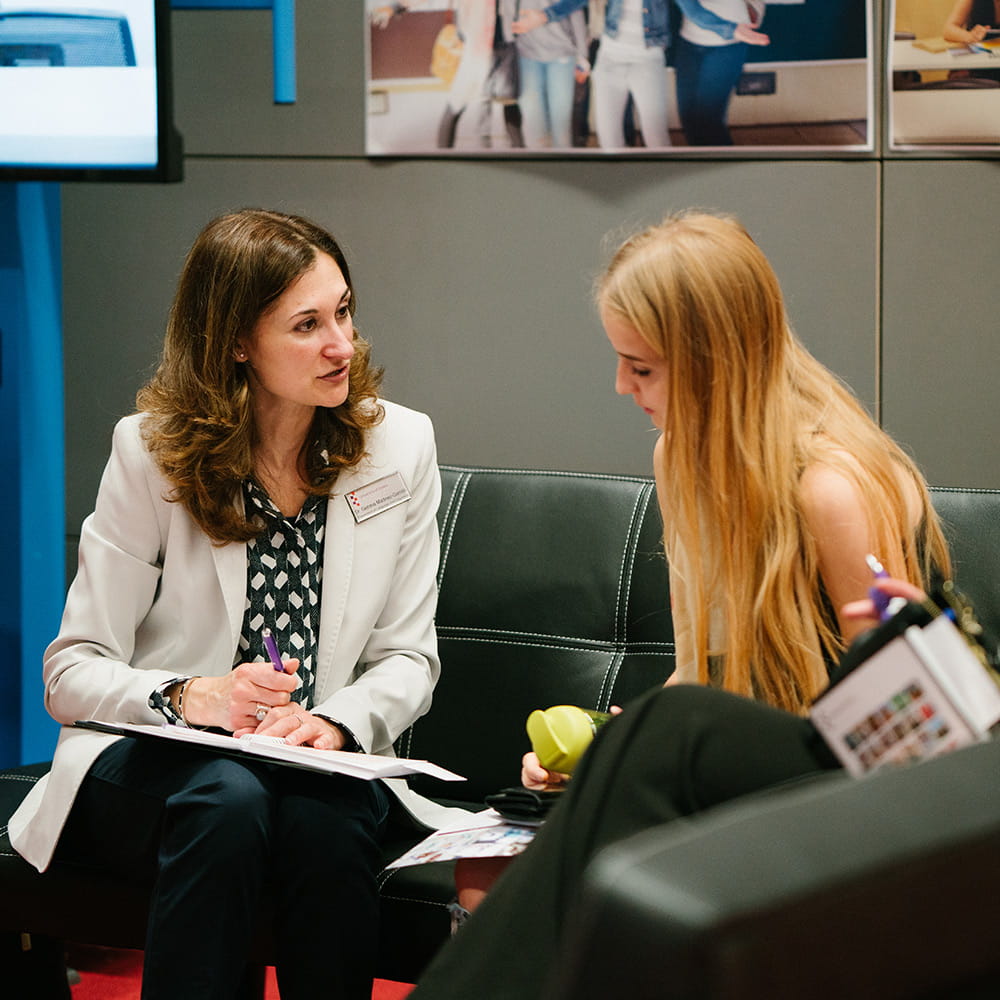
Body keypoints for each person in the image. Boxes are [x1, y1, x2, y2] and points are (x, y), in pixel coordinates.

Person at [447, 206, 951, 926]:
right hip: (723, 775)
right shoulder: (679, 456)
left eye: (642, 366)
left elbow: (898, 740)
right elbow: (702, 672)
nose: (623, 386)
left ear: (719, 361)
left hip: (820, 793)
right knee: (484, 870)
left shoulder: (830, 489)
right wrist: (603, 742)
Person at [8, 209, 466, 1000]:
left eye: (345, 311)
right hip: (162, 760)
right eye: (307, 324)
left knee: (327, 813)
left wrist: (337, 721)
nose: (342, 345)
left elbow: (408, 657)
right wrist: (194, 696)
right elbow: (71, 672)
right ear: (235, 342)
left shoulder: (400, 446)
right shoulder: (149, 453)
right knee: (228, 796)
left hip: (319, 760)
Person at [409, 581, 947, 1000]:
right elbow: (668, 707)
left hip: (806, 809)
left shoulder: (828, 501)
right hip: (729, 788)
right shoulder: (708, 653)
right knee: (483, 867)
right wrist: (597, 763)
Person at [674, 0, 770, 146]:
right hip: (689, 43)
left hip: (727, 47)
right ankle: (704, 165)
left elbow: (755, 12)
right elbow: (692, 9)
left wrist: (752, 11)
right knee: (689, 119)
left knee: (709, 120)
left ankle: (725, 166)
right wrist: (730, 28)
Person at [500, 0, 590, 148]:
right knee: (534, 128)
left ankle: (561, 165)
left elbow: (575, 10)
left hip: (563, 56)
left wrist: (582, 56)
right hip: (526, 57)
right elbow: (508, 17)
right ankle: (538, 169)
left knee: (561, 127)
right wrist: (511, 51)